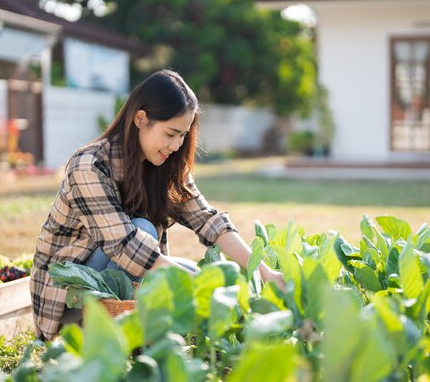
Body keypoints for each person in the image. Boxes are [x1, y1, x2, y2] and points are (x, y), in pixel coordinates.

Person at [30, 69, 284, 341]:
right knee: (145, 232)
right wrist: (194, 287)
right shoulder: (90, 165)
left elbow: (209, 221)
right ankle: (98, 332)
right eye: (170, 133)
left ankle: (136, 324)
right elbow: (123, 244)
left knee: (195, 271)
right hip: (66, 298)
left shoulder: (165, 165)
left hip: (116, 279)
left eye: (183, 135)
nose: (176, 145)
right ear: (141, 118)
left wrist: (264, 271)